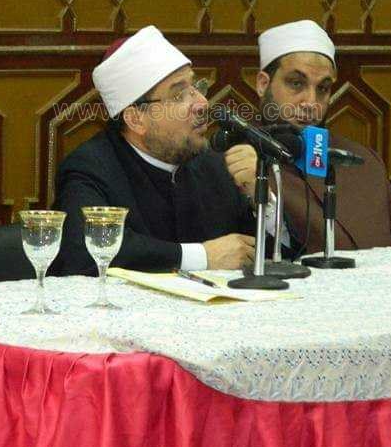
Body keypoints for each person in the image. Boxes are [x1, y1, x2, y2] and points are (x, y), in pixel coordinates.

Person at [52, 26, 257, 275]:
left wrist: (261, 196)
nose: (202, 103)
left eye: (196, 87)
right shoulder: (89, 169)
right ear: (136, 119)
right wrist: (201, 257)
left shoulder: (214, 163)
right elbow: (87, 252)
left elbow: (264, 254)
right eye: (179, 95)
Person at [223, 20, 391, 254]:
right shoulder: (237, 164)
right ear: (262, 84)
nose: (310, 102)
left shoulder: (361, 160)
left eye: (322, 88)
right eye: (296, 83)